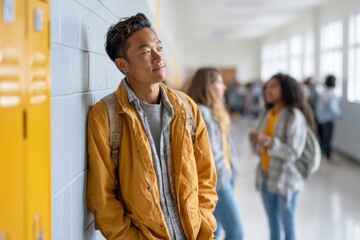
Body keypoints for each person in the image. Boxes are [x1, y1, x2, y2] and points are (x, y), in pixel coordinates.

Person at [86, 13, 218, 240]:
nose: (159, 57)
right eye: (146, 52)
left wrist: (202, 221)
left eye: (159, 47)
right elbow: (102, 196)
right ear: (123, 65)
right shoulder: (105, 116)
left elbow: (206, 175)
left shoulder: (186, 108)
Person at [249, 73, 315, 240]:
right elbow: (262, 146)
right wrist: (256, 140)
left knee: (287, 224)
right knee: (273, 222)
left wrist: (268, 141)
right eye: (267, 86)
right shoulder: (268, 113)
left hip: (286, 180)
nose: (267, 90)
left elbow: (293, 152)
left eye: (273, 86)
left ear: (285, 89)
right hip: (266, 176)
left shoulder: (294, 116)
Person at [187, 67, 244, 240]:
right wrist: (226, 176)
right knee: (236, 233)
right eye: (219, 82)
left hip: (223, 178)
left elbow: (225, 146)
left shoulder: (212, 111)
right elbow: (210, 154)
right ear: (207, 86)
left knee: (214, 230)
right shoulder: (202, 112)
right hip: (218, 182)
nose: (224, 87)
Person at [315, 75, 341, 160]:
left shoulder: (324, 92)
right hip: (327, 119)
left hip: (322, 118)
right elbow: (332, 107)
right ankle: (325, 154)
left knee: (323, 136)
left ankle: (323, 153)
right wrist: (338, 114)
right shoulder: (330, 93)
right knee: (327, 137)